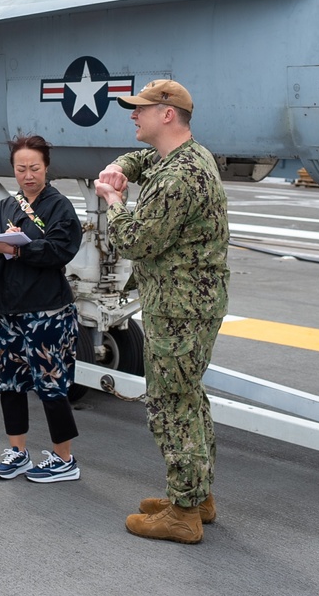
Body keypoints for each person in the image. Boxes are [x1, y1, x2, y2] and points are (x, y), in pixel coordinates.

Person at [94, 79, 229, 544]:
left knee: (172, 405)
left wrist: (112, 200)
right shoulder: (187, 156)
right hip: (190, 303)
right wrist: (118, 166)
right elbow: (140, 160)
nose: (134, 115)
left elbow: (133, 240)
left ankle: (183, 515)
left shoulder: (177, 178)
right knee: (190, 398)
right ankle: (196, 496)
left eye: (141, 109)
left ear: (167, 115)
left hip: (178, 309)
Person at [0, 134, 83, 484]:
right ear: (13, 170)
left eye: (34, 167)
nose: (28, 174)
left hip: (45, 311)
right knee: (7, 382)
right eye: (21, 168)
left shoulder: (60, 207)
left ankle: (64, 458)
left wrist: (21, 249)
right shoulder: (6, 206)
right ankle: (17, 452)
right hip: (4, 311)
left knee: (52, 385)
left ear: (46, 167)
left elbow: (62, 249)